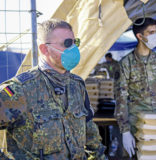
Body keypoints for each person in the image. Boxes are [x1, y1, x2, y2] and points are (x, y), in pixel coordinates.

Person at [0, 19, 106, 160]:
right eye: (67, 43)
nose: (73, 49)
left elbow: (89, 129)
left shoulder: (76, 85)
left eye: (75, 42)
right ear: (45, 49)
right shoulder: (20, 90)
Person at [114, 17, 156, 157]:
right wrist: (125, 131)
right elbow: (121, 98)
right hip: (137, 126)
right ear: (140, 36)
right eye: (151, 32)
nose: (155, 36)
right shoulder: (126, 63)